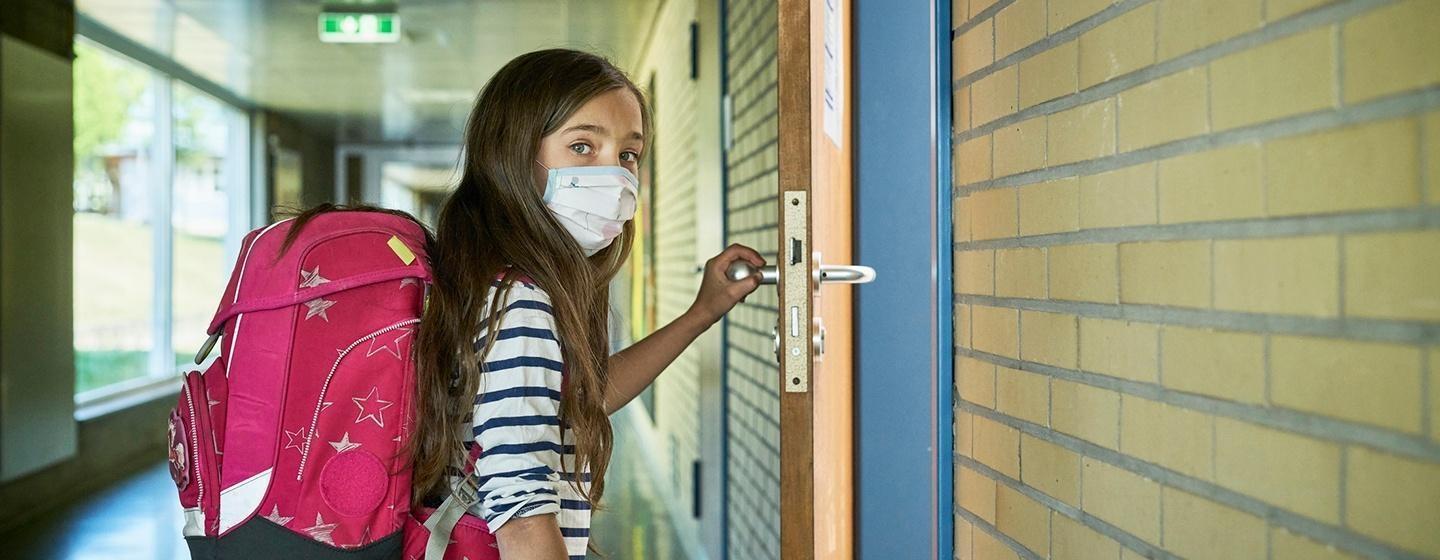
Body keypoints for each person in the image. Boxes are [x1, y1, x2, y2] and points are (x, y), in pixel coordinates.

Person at [408, 48, 766, 560]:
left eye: (628, 155)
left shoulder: (495, 281)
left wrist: (700, 314)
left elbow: (578, 402)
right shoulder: (522, 304)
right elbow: (523, 513)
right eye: (582, 146)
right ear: (511, 153)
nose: (615, 176)